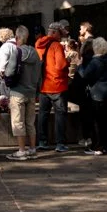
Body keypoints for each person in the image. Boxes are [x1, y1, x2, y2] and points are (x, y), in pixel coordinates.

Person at [6, 25, 42, 161]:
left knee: (18, 122)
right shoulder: (35, 52)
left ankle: (21, 150)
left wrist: (5, 75)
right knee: (30, 122)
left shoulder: (17, 52)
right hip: (31, 92)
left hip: (17, 92)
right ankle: (32, 149)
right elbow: (39, 73)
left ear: (17, 37)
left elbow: (10, 72)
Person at [77, 37, 107, 155]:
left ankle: (98, 146)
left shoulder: (95, 61)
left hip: (97, 93)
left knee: (97, 121)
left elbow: (85, 75)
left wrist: (80, 66)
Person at [35, 21, 71, 152]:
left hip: (44, 86)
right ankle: (60, 143)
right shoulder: (56, 45)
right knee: (60, 115)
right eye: (61, 34)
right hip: (57, 85)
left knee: (43, 115)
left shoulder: (39, 44)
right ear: (55, 33)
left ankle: (42, 142)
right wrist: (68, 62)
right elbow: (60, 65)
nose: (62, 37)